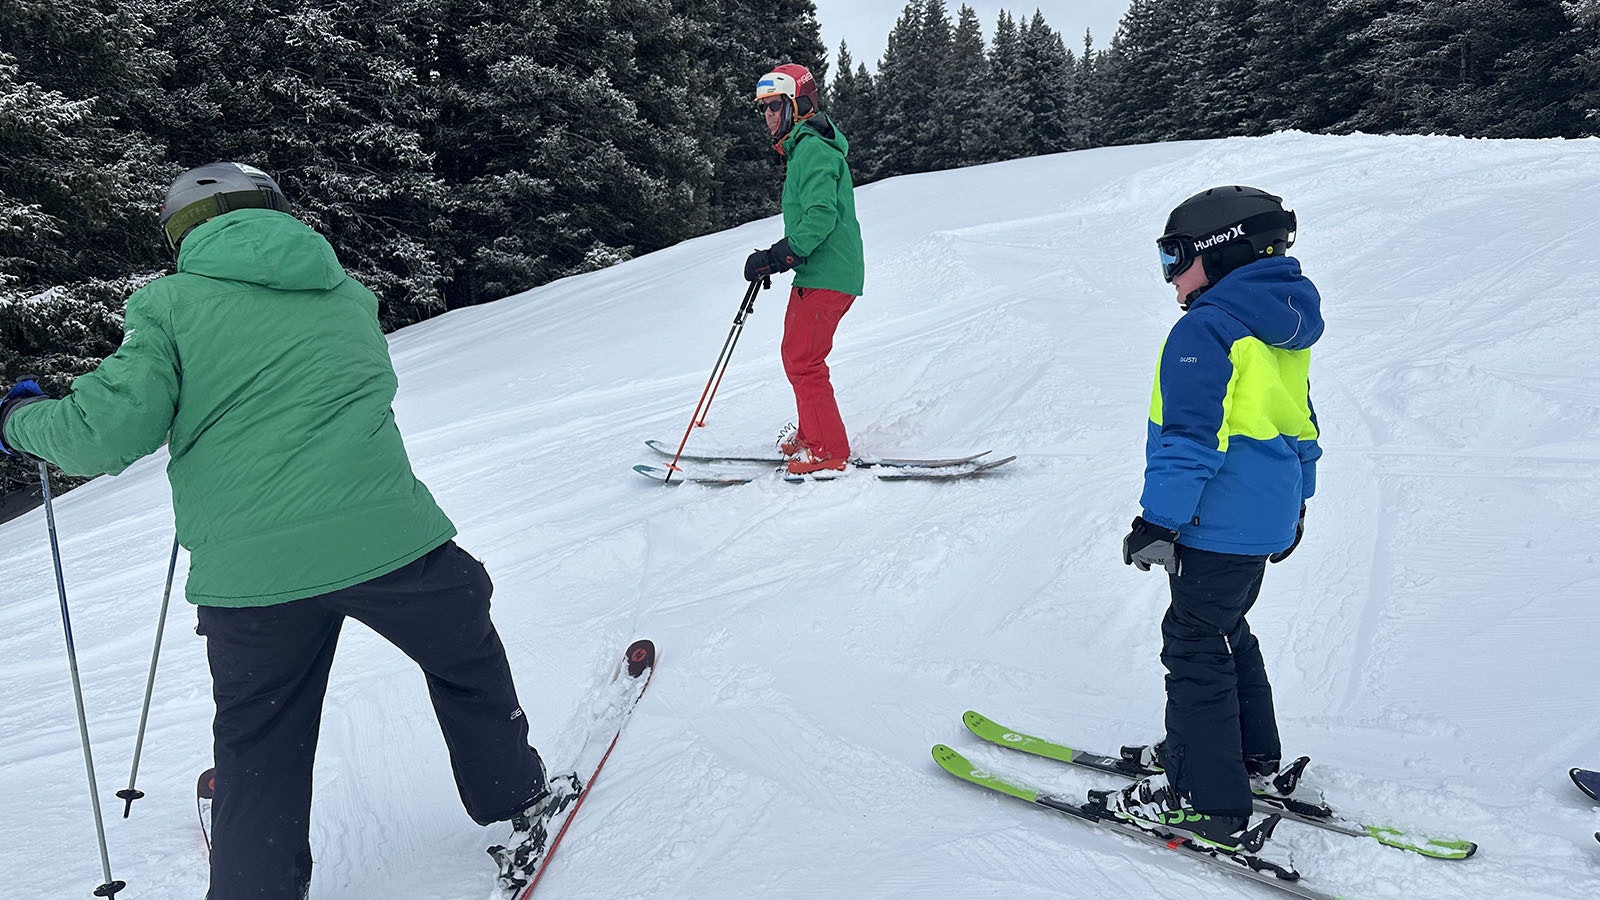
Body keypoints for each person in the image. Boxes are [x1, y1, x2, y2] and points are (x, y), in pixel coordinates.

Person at [0, 162, 574, 899]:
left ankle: (255, 885)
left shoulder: (168, 304)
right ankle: (511, 793)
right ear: (273, 209)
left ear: (181, 233)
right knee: (466, 656)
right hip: (391, 541)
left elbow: (102, 434)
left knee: (260, 742)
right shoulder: (346, 295)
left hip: (253, 575)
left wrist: (19, 423)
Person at [1110, 185, 1323, 851]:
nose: (1171, 275)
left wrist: (1159, 522)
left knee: (1195, 643)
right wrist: (1298, 504)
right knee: (1226, 630)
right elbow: (1302, 425)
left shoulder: (1205, 329)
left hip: (1217, 518)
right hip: (1262, 516)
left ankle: (1205, 797)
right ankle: (1246, 756)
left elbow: (1190, 440)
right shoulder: (1275, 321)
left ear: (1220, 253)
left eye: (1176, 256)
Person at [743, 63, 865, 476]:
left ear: (799, 106)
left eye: (775, 106)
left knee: (805, 360)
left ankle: (828, 449)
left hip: (827, 272)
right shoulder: (803, 148)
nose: (768, 116)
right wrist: (781, 258)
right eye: (764, 109)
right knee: (797, 355)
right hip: (821, 270)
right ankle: (813, 433)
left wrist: (781, 255)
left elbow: (820, 215)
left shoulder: (811, 148)